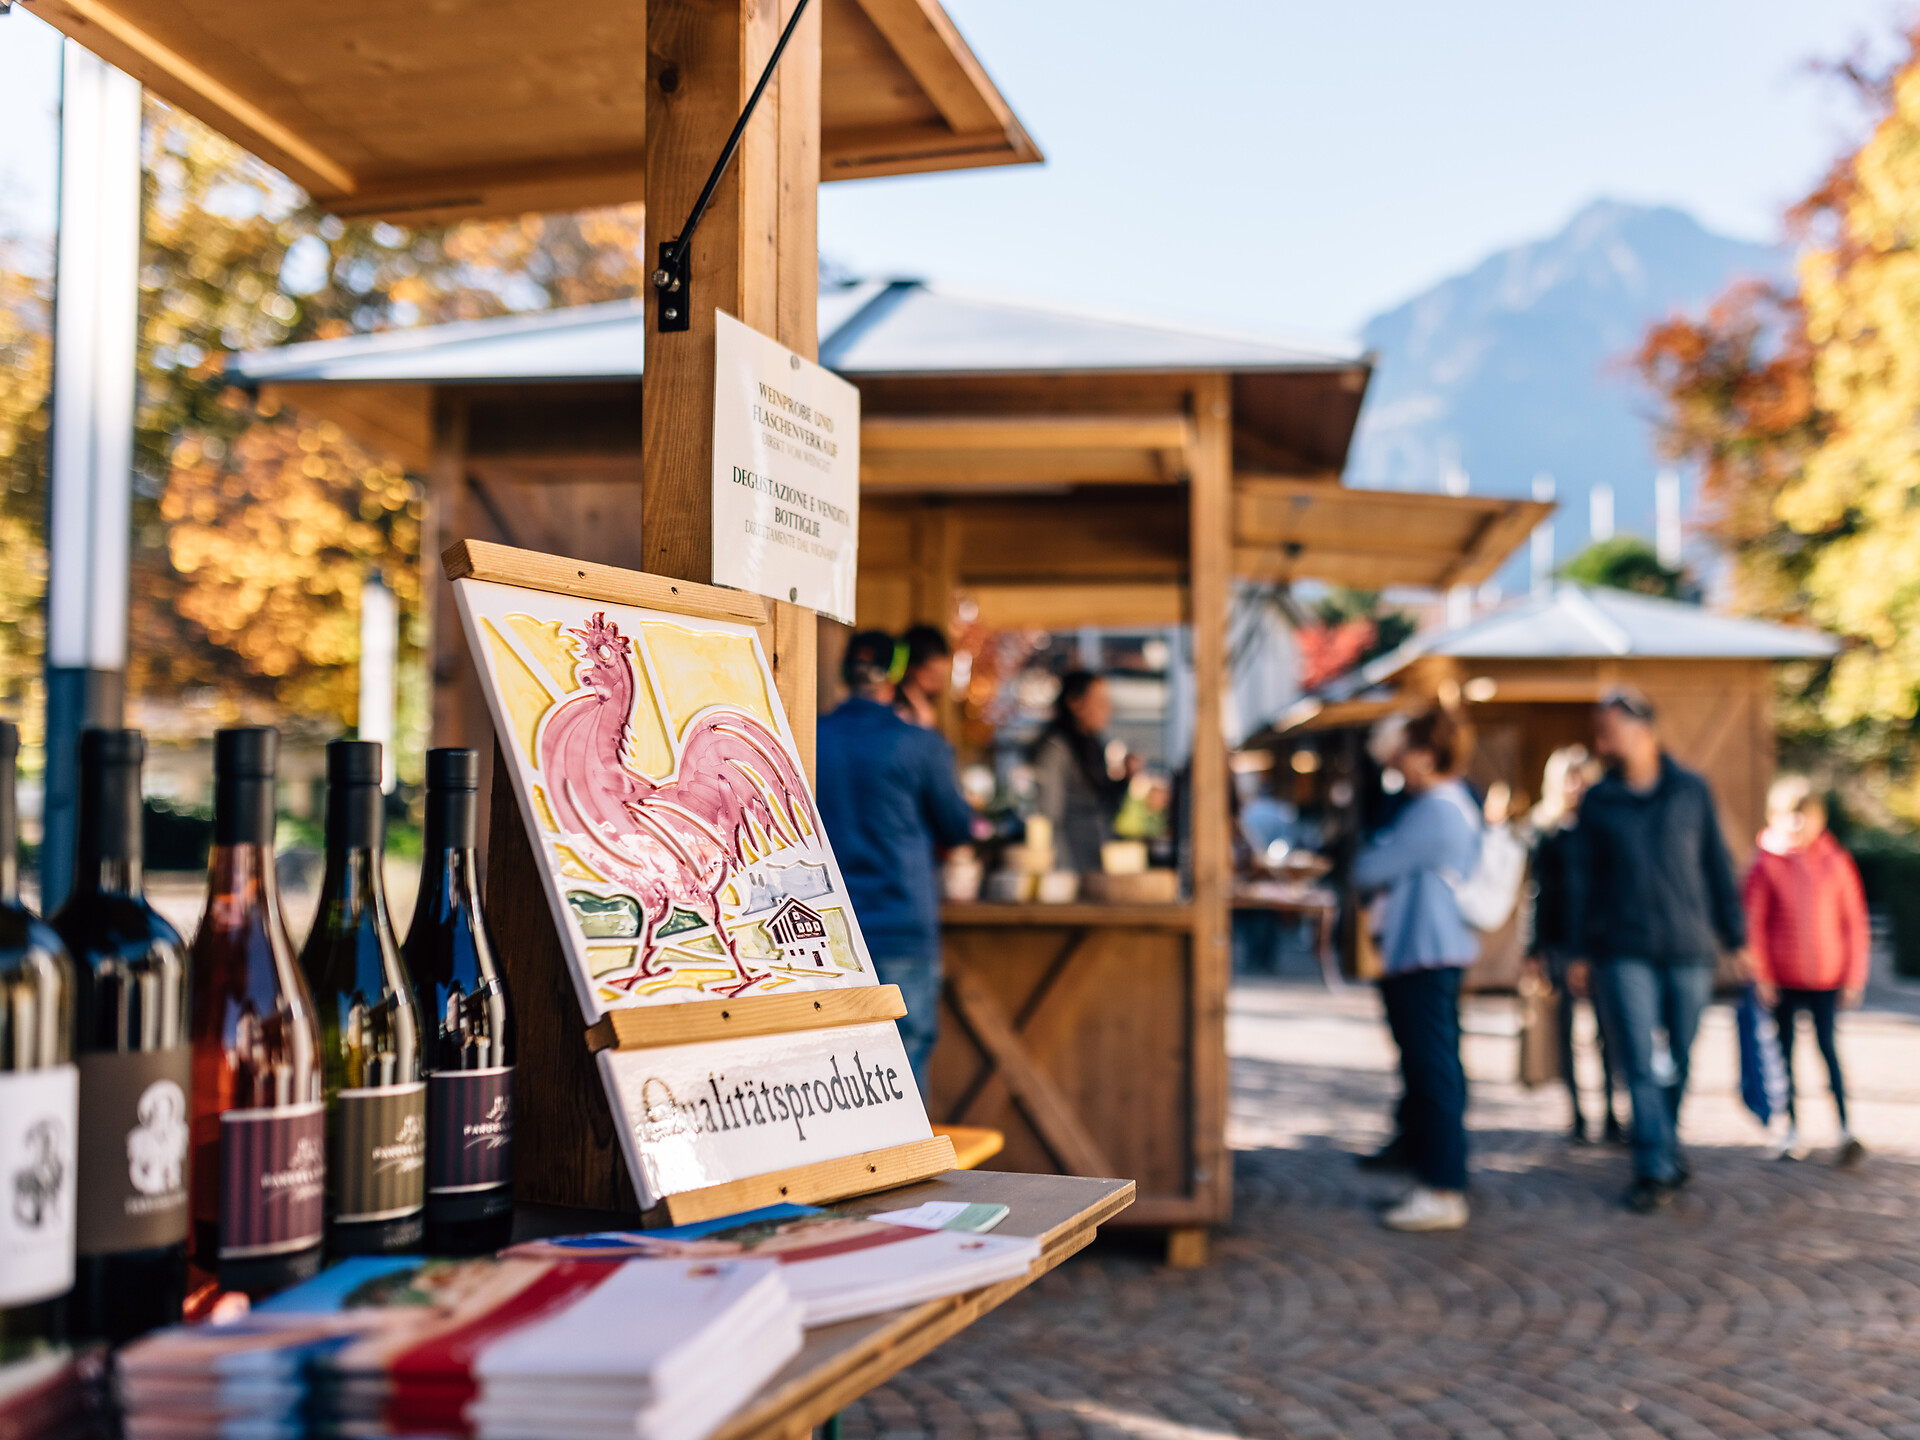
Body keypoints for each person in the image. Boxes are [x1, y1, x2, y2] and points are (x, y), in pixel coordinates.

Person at [1567, 686, 1746, 1214]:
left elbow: (1716, 864)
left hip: (1689, 946)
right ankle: (1654, 1165)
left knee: (1680, 1058)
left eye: (1609, 729)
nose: (1601, 740)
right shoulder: (1599, 800)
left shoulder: (1692, 789)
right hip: (1623, 948)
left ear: (1642, 730)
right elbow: (1582, 880)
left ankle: (1664, 1143)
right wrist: (1577, 948)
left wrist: (1736, 939)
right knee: (1640, 1061)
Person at [816, 630, 982, 1094]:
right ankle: (904, 1170)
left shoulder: (807, 736)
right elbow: (958, 826)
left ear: (845, 672)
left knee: (828, 1074)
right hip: (901, 921)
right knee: (903, 1076)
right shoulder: (919, 744)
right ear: (897, 675)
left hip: (824, 931)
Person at [1352, 706, 1481, 1232]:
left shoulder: (1437, 810)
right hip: (1431, 951)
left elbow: (1370, 867)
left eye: (1403, 754)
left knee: (1434, 1073)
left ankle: (1444, 1188)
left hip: (1427, 952)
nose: (1396, 765)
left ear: (1425, 755)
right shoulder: (1447, 804)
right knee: (1435, 1068)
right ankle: (1437, 1177)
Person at [1744, 776, 1869, 1167]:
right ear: (1774, 817)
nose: (1798, 824)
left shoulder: (1836, 862)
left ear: (1819, 818)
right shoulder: (1765, 864)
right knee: (1783, 1056)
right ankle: (1790, 1128)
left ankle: (1845, 1128)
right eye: (1790, 815)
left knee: (1828, 1051)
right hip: (1782, 979)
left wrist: (1854, 975)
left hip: (1826, 978)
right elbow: (1754, 925)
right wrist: (1761, 975)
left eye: (1806, 815)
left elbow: (1854, 922)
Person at [1525, 745, 1622, 1145]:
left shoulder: (1606, 829)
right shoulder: (1547, 833)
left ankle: (1614, 1111)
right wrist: (1532, 948)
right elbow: (1538, 893)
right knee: (1564, 1031)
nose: (1575, 786)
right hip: (1560, 943)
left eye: (1582, 777)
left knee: (1608, 1032)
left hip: (1602, 943)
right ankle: (1577, 1113)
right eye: (1568, 777)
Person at [1030, 671, 1135, 875]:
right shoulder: (1056, 751)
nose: (1107, 709)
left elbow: (1105, 811)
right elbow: (1049, 819)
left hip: (1094, 868)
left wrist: (1125, 780)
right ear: (1074, 703)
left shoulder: (1092, 748)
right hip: (1071, 872)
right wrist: (1062, 877)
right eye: (1100, 701)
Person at [894, 624, 953, 730]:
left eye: (942, 678)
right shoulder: (895, 717)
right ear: (907, 669)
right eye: (932, 677)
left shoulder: (923, 714)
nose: (939, 687)